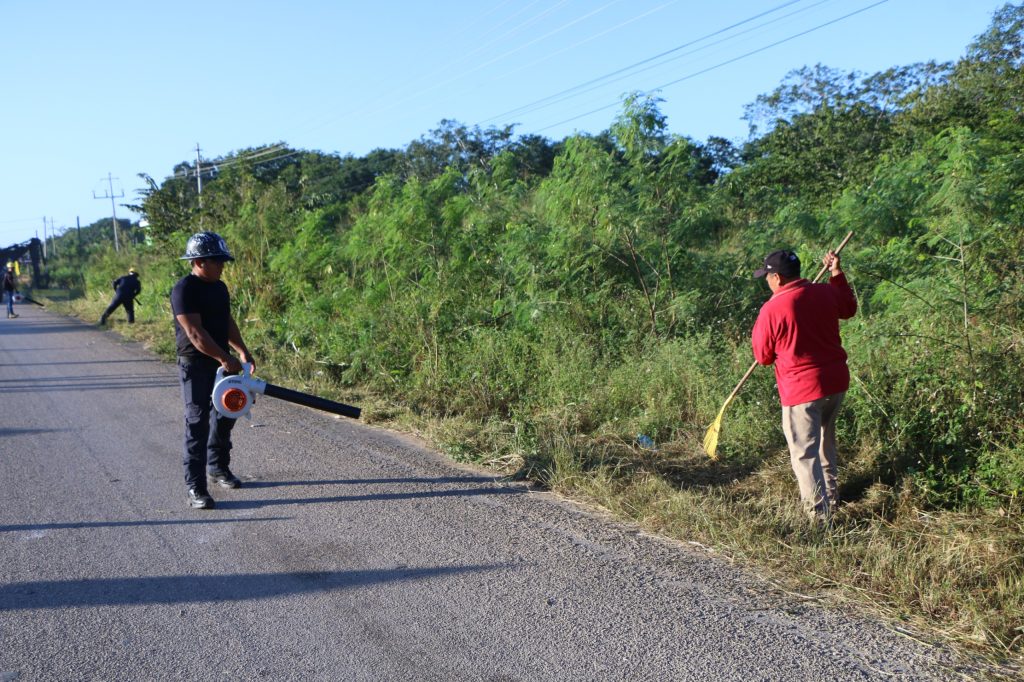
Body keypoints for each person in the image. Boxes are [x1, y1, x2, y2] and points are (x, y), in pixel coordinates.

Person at [751, 248, 857, 522]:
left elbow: (763, 357)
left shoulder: (772, 308)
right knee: (824, 442)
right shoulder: (824, 291)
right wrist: (836, 272)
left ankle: (819, 519)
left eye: (767, 276)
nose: (766, 281)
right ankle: (831, 498)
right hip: (835, 383)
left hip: (802, 390)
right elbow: (849, 308)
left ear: (777, 277)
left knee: (804, 454)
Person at [170, 232, 255, 510]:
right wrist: (224, 357)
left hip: (223, 361)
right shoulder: (184, 289)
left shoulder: (220, 288)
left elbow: (225, 320)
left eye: (222, 261)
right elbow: (195, 334)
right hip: (196, 364)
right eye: (216, 261)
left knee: (228, 412)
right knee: (197, 421)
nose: (221, 265)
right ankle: (196, 487)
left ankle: (217, 467)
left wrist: (240, 350)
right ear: (198, 261)